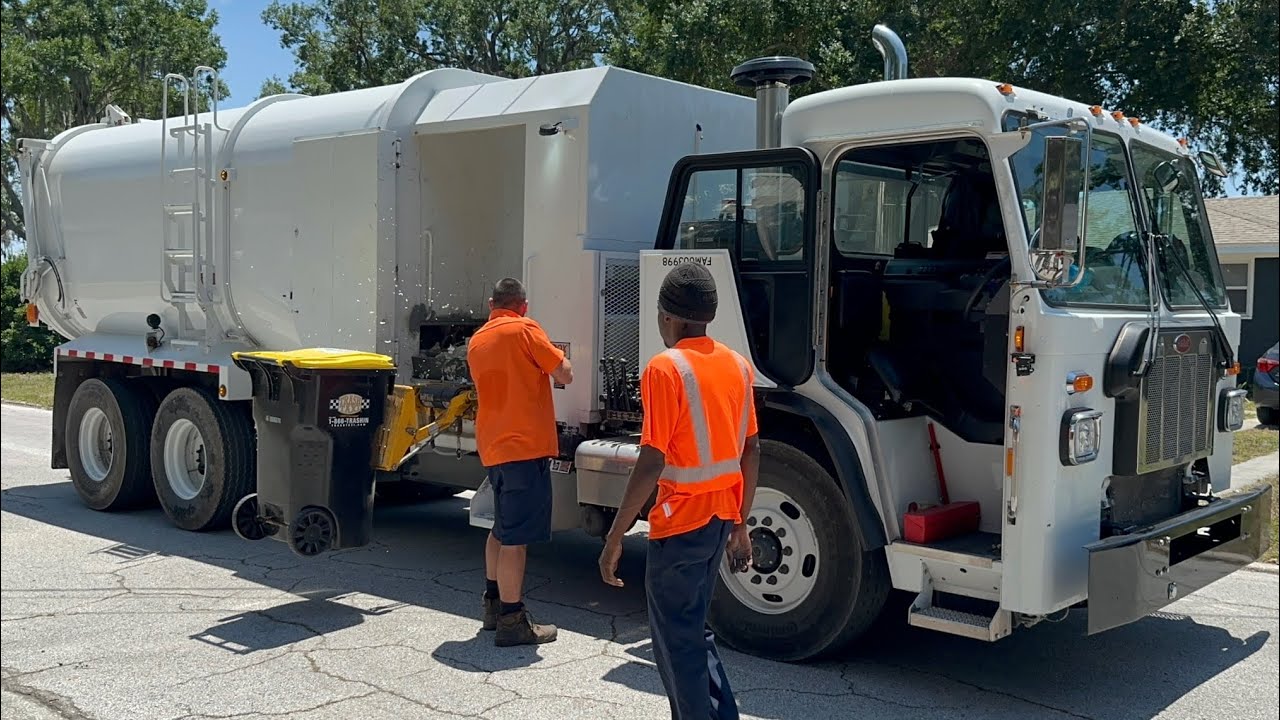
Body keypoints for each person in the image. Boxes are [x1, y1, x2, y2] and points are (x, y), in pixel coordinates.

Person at [598, 262, 760, 720]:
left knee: (677, 643)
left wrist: (615, 537)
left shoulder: (665, 368)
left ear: (667, 316)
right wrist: (740, 524)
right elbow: (752, 450)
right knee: (692, 632)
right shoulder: (736, 365)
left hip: (681, 526)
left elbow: (651, 460)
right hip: (716, 524)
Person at [466, 277, 574, 647]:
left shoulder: (478, 340)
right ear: (523, 306)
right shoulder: (525, 330)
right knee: (515, 539)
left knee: (500, 528)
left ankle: (493, 605)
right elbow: (564, 372)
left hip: (494, 447)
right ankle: (513, 621)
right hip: (524, 448)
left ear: (492, 304)